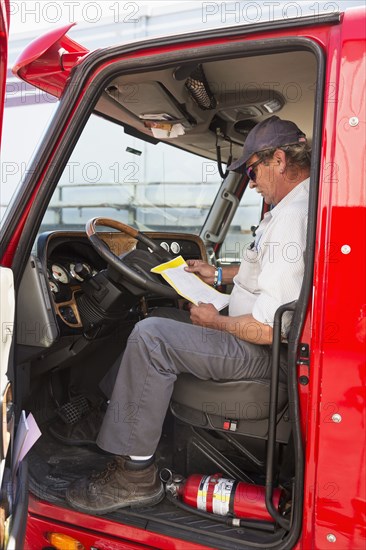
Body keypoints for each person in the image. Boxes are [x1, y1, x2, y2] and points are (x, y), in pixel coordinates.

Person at [66, 115, 311, 514]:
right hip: (253, 339)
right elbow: (267, 271)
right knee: (161, 314)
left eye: (252, 170)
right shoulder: (293, 208)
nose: (250, 182)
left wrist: (215, 321)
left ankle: (135, 477)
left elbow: (269, 329)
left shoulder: (292, 219)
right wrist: (217, 274)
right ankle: (111, 420)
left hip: (265, 356)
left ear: (278, 160)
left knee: (152, 336)